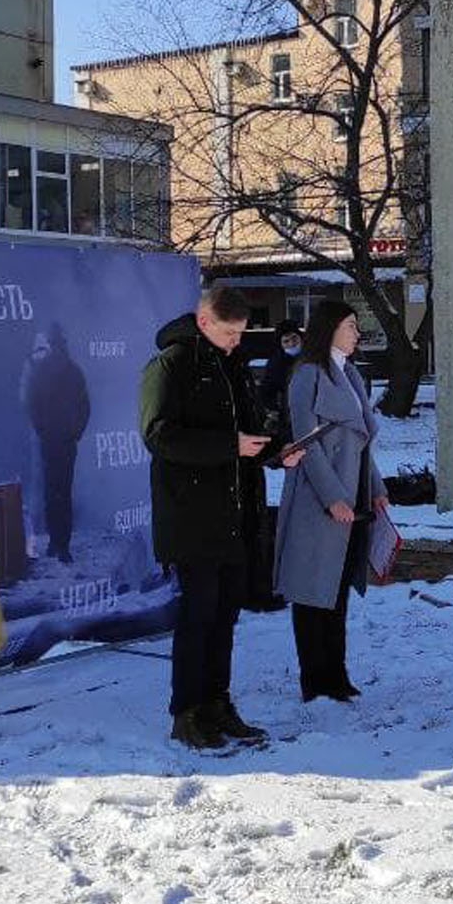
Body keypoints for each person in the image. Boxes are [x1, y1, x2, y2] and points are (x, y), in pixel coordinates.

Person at [139, 286, 303, 750]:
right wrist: (230, 446)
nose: (236, 342)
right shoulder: (171, 365)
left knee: (225, 614)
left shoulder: (232, 363)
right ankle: (187, 711)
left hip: (236, 512)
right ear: (204, 322)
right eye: (230, 333)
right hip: (192, 515)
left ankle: (217, 703)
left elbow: (249, 429)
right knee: (198, 615)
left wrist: (275, 452)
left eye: (241, 334)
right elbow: (158, 435)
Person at [275, 300, 389, 703]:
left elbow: (362, 444)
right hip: (318, 497)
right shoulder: (308, 374)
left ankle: (336, 675)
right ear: (330, 329)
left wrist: (376, 487)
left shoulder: (351, 373)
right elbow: (307, 444)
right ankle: (315, 679)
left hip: (353, 492)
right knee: (313, 589)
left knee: (338, 587)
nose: (357, 333)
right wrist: (333, 498)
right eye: (351, 325)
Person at [24, 323, 91, 564]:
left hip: (51, 440)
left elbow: (32, 405)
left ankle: (56, 542)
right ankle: (62, 545)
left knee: (52, 492)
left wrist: (42, 430)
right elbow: (85, 407)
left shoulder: (41, 370)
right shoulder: (74, 371)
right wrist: (75, 432)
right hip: (65, 441)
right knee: (63, 491)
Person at [255, 319, 303, 438]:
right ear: (280, 345)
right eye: (286, 341)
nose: (291, 343)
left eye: (294, 338)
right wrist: (274, 411)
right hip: (289, 418)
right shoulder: (276, 364)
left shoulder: (313, 358)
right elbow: (267, 391)